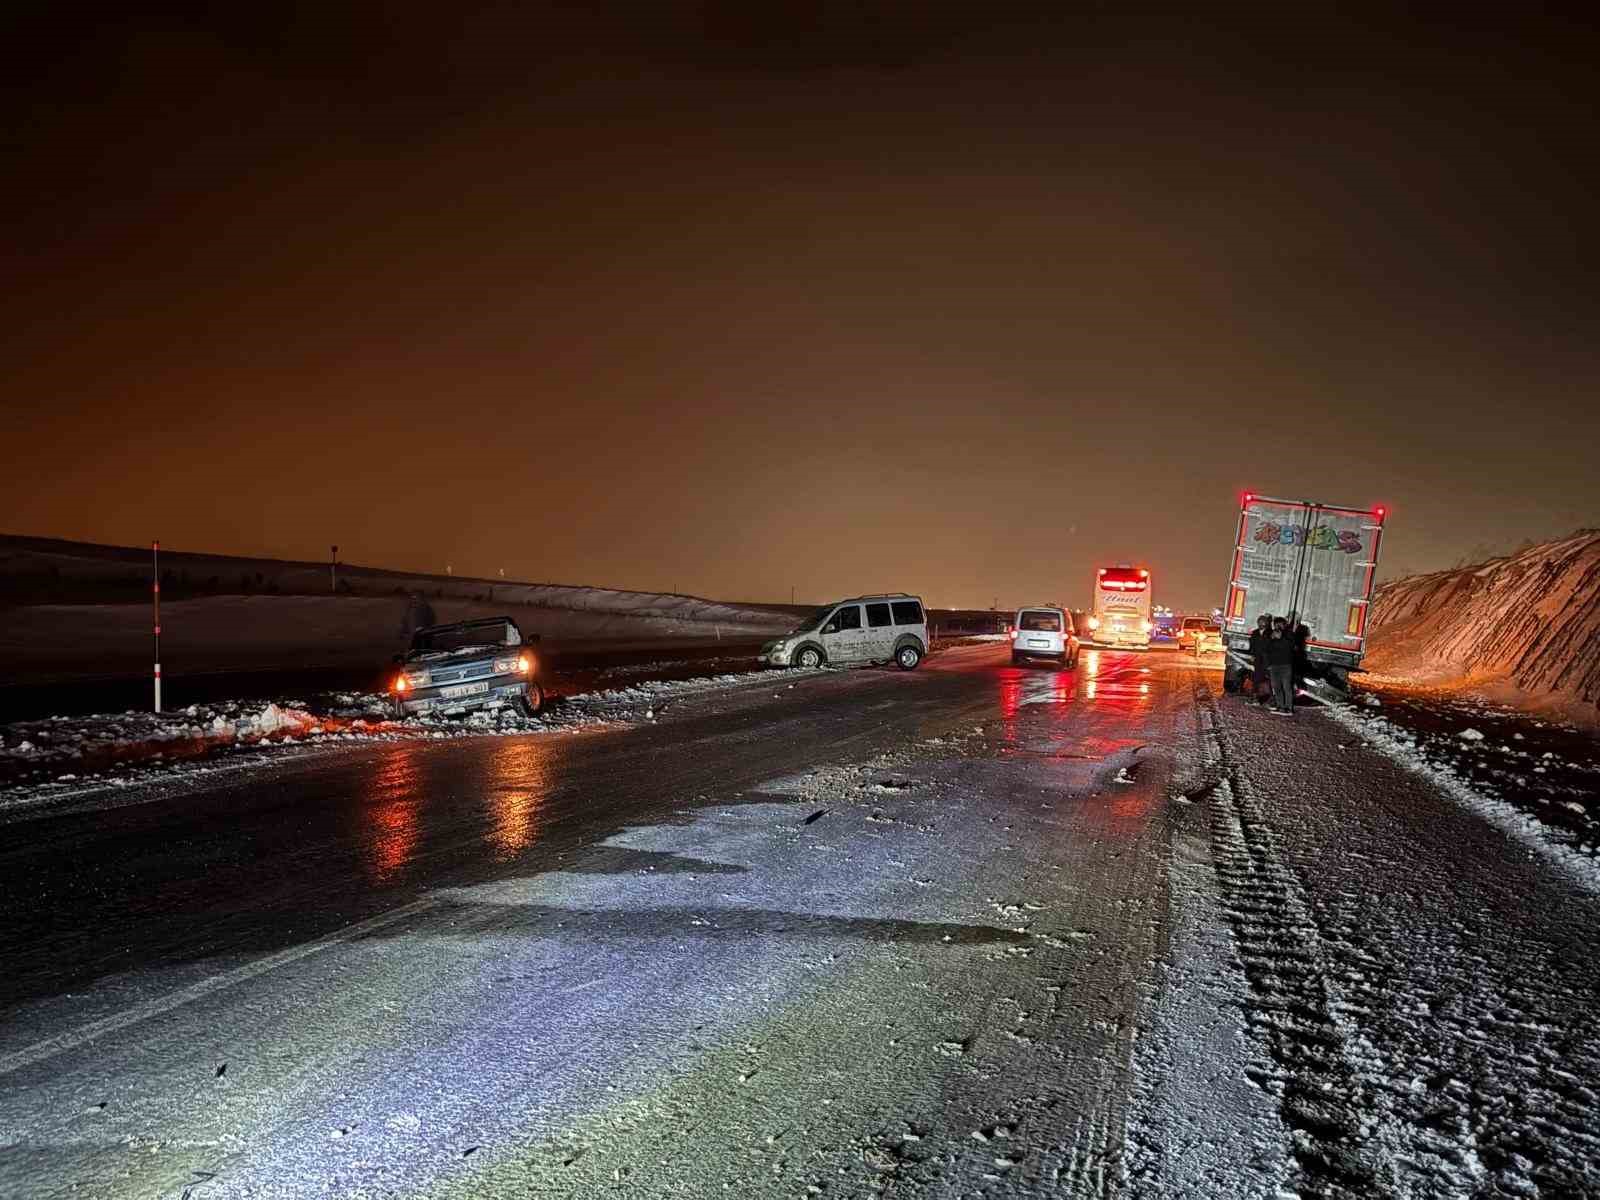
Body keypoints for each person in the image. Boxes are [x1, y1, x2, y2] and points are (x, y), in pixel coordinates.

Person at [1266, 617, 1297, 715]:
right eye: (1276, 625)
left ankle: (1289, 708)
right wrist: (1271, 639)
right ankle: (1280, 706)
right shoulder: (1272, 635)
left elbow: (1291, 647)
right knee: (1276, 687)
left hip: (1285, 666)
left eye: (1280, 624)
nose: (1278, 627)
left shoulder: (1289, 635)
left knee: (1286, 687)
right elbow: (1266, 649)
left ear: (1284, 625)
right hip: (1274, 666)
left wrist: (1281, 638)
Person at [1247, 613, 1272, 705]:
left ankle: (1271, 700)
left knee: (1270, 680)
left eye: (1263, 622)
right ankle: (1255, 698)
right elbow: (1252, 646)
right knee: (1256, 679)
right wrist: (1252, 655)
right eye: (1260, 622)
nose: (1261, 624)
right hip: (1257, 660)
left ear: (1267, 623)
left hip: (1267, 660)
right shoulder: (1255, 633)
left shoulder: (1270, 633)